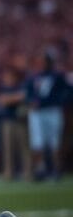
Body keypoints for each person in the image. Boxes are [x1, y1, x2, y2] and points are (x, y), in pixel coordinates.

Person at [26, 52, 69, 180]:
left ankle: (56, 169)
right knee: (38, 142)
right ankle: (41, 169)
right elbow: (28, 93)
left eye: (44, 61)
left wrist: (55, 101)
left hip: (52, 111)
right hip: (37, 113)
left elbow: (67, 92)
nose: (41, 64)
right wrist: (31, 101)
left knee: (55, 141)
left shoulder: (57, 76)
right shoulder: (33, 77)